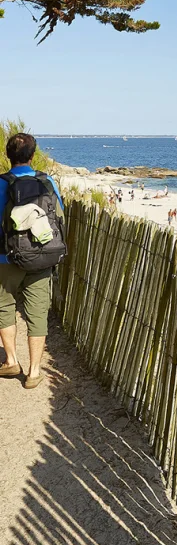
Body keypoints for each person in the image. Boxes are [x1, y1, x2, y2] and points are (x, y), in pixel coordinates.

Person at [0, 133, 65, 389]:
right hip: (41, 257)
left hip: (6, 258)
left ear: (8, 155)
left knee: (4, 307)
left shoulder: (1, 184)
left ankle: (12, 361)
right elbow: (59, 215)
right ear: (33, 155)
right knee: (37, 312)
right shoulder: (47, 182)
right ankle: (34, 372)